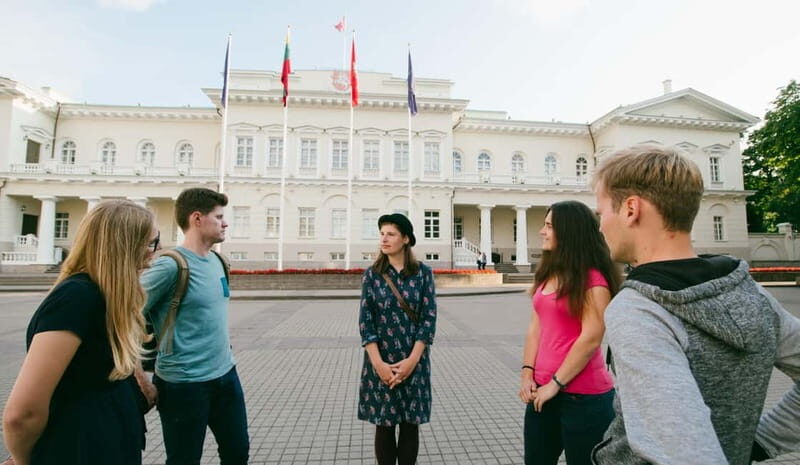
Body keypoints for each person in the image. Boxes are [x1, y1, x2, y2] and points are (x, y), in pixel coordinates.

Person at [591, 145, 800, 465]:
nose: (601, 225)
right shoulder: (752, 294)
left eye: (601, 211)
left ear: (631, 209)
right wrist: (757, 442)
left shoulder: (638, 310)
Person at [3, 200, 157, 465]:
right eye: (151, 243)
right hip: (75, 447)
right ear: (125, 247)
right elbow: (23, 413)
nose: (155, 254)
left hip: (107, 441)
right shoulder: (77, 297)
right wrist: (22, 460)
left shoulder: (109, 296)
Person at [141, 187, 249, 465]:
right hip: (183, 385)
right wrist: (138, 375)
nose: (225, 223)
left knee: (237, 453)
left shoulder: (218, 261)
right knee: (184, 460)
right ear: (197, 219)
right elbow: (123, 314)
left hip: (226, 376)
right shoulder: (170, 266)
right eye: (219, 216)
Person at [520, 200, 621, 465]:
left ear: (570, 231)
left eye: (549, 225)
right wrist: (527, 372)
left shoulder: (593, 280)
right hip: (541, 392)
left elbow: (591, 338)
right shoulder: (548, 274)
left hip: (584, 398)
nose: (542, 231)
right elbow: (536, 327)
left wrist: (555, 384)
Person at [358, 213, 437, 465]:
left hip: (414, 361)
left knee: (410, 425)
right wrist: (379, 364)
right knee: (384, 425)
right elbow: (365, 321)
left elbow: (428, 319)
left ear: (405, 239)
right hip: (381, 362)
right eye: (382, 233)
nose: (384, 238)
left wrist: (412, 360)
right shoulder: (373, 275)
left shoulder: (423, 274)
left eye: (390, 234)